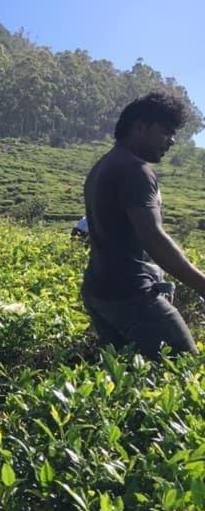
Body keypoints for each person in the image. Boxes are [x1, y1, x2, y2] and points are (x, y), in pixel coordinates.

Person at [81, 91, 203, 359]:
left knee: (128, 379)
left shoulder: (103, 166)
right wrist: (201, 283)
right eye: (165, 131)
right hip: (132, 294)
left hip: (100, 291)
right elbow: (153, 238)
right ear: (139, 127)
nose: (171, 141)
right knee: (184, 370)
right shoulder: (136, 170)